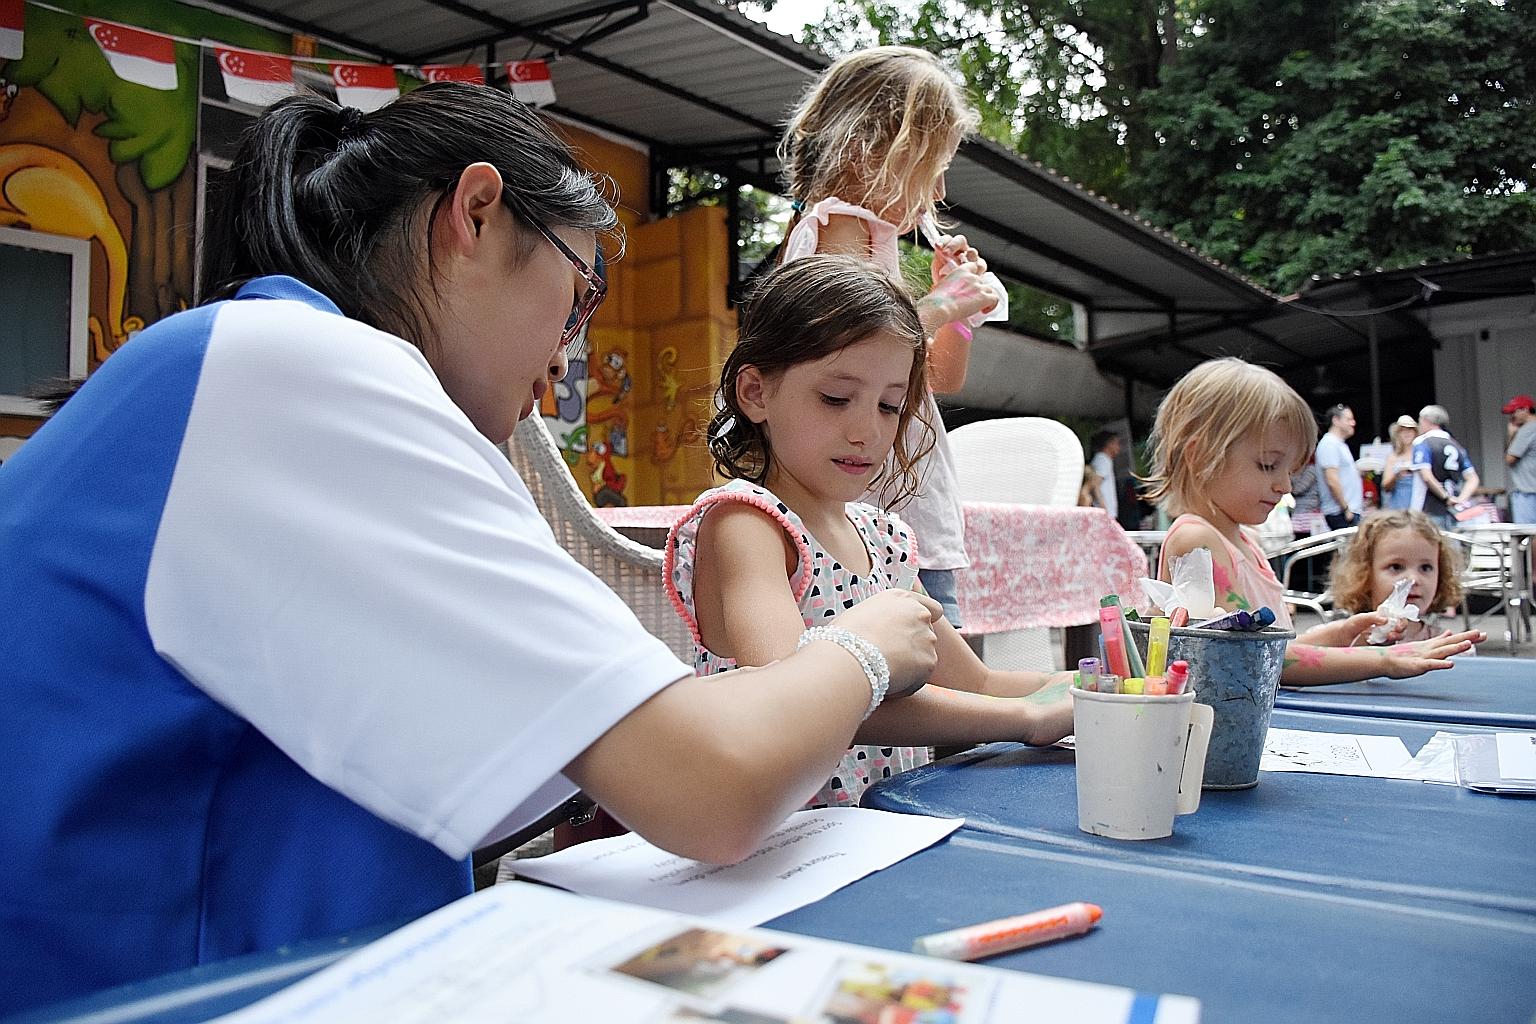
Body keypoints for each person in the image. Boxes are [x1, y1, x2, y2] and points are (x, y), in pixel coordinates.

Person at [0, 86, 946, 1014]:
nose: (569, 358)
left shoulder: (273, 368)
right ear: (478, 214)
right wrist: (863, 644)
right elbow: (711, 788)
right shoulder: (299, 369)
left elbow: (593, 752)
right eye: (578, 299)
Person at [664, 255, 1074, 808]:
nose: (866, 430)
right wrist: (1026, 720)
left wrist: (1097, 686)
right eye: (835, 398)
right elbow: (797, 698)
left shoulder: (884, 539)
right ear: (756, 393)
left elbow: (973, 682)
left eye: (890, 405)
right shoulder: (749, 524)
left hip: (879, 834)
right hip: (773, 845)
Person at [777, 45, 999, 629]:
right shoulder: (835, 226)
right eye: (933, 164)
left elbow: (939, 378)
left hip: (908, 507)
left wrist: (952, 313)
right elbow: (849, 353)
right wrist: (936, 306)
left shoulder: (879, 242)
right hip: (869, 512)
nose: (942, 188)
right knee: (921, 682)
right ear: (866, 152)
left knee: (936, 675)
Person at [1145, 358, 1482, 687]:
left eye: (1289, 470)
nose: (1285, 486)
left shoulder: (1242, 540)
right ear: (1199, 455)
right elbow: (1256, 657)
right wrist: (1387, 660)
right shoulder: (1196, 541)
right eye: (1268, 465)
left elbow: (1275, 644)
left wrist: (1343, 633)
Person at [1330, 510, 1465, 644]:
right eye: (1396, 567)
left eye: (1425, 568)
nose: (1413, 579)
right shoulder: (1345, 640)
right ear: (1364, 573)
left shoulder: (1448, 645)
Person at [1410, 405, 1480, 530]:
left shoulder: (1422, 443)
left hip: (1427, 508)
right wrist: (1460, 499)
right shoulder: (1455, 445)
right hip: (1452, 510)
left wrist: (1445, 497)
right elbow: (1473, 478)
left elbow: (1426, 476)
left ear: (1426, 421)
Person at [1315, 404, 1363, 530]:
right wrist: (1346, 508)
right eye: (1349, 419)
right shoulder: (1329, 444)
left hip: (1348, 510)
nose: (1353, 423)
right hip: (1340, 512)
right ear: (1335, 420)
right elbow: (1332, 479)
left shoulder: (1340, 444)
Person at [1504, 394, 1536, 524]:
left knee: (1527, 532)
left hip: (1528, 490)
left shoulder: (1528, 429)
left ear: (1526, 410)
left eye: (1514, 412)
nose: (1512, 417)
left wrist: (1511, 435)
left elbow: (1510, 459)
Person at [1380, 414, 1420, 511]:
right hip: (1399, 502)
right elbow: (1385, 486)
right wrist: (1397, 474)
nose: (1407, 433)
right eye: (1403, 430)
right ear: (1398, 434)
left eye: (1410, 429)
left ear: (1415, 432)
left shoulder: (1421, 454)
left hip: (1418, 500)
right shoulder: (1393, 457)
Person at [1089, 429, 1121, 519]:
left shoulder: (1104, 459)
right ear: (1109, 444)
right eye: (1117, 443)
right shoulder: (1102, 460)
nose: (1119, 447)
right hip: (1104, 514)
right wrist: (1104, 509)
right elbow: (1095, 485)